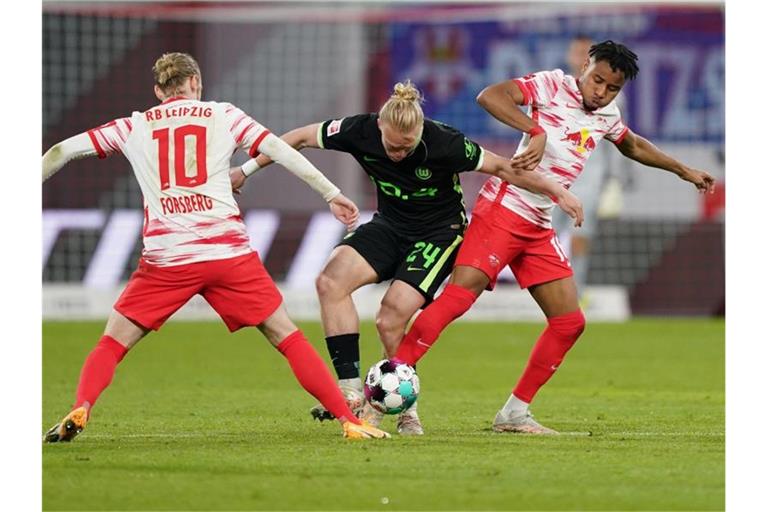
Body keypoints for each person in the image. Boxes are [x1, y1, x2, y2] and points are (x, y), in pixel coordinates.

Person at [42, 52, 390, 442]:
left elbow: (62, 151)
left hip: (167, 258)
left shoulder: (132, 126)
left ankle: (83, 405)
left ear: (159, 91)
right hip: (228, 255)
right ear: (196, 83)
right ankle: (349, 420)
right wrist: (331, 193)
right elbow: (279, 149)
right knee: (287, 336)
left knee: (112, 343)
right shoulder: (223, 115)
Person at [392, 41, 715, 434]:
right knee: (459, 298)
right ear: (584, 66)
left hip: (538, 225)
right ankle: (389, 382)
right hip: (503, 210)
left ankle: (513, 413)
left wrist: (683, 170)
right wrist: (534, 128)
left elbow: (631, 143)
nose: (601, 92)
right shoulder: (550, 85)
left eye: (612, 88)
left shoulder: (606, 114)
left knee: (569, 321)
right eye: (597, 80)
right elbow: (489, 96)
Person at [231, 81, 583, 435]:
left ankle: (406, 410)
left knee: (391, 316)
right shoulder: (359, 129)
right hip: (389, 225)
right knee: (329, 282)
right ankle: (350, 390)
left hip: (440, 232)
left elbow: (505, 168)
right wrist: (244, 171)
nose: (399, 154)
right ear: (380, 127)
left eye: (408, 146)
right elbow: (295, 138)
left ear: (419, 132)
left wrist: (557, 191)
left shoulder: (445, 141)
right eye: (392, 147)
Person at [551, 35, 629, 300]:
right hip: (552, 175)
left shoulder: (614, 99)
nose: (581, 57)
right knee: (541, 235)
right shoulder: (555, 88)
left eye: (587, 52)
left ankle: (575, 293)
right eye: (577, 52)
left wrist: (616, 180)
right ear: (571, 56)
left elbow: (621, 141)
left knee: (579, 239)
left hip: (589, 178)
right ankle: (543, 293)